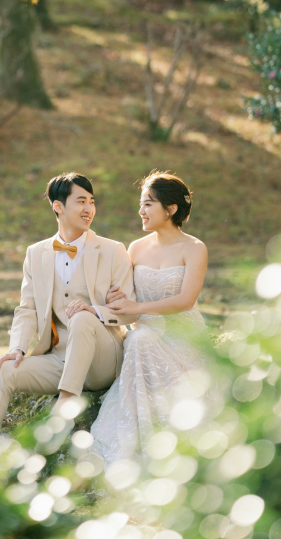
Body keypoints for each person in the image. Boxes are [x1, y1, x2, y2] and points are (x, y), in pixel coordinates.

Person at [0, 172, 136, 439]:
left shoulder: (112, 250)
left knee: (82, 318)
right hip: (58, 359)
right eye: (81, 201)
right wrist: (16, 348)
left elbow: (127, 309)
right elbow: (27, 309)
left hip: (102, 360)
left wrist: (93, 310)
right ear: (58, 206)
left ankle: (65, 405)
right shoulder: (36, 253)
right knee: (4, 370)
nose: (89, 209)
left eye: (92, 202)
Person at [90, 170, 209, 465]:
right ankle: (138, 442)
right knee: (140, 338)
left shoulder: (194, 248)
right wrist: (114, 299)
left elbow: (186, 300)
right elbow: (124, 294)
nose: (140, 211)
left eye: (148, 204)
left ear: (170, 209)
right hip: (144, 334)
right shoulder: (136, 248)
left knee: (140, 339)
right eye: (141, 204)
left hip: (183, 336)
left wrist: (136, 308)